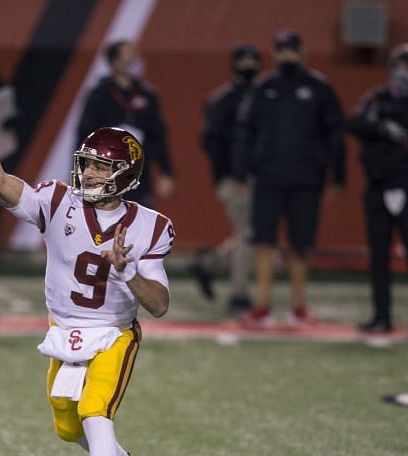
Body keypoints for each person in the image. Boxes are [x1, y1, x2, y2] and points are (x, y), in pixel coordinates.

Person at [0, 84, 174, 456]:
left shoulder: (147, 224)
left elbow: (159, 304)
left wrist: (127, 270)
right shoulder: (56, 201)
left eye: (100, 166)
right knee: (68, 428)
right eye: (87, 162)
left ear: (124, 174)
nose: (88, 171)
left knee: (95, 412)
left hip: (113, 333)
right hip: (63, 332)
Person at [233, 29, 346, 327]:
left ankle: (298, 307)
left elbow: (336, 133)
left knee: (300, 244)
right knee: (263, 243)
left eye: (291, 50)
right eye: (281, 50)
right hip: (268, 178)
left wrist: (339, 174)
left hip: (306, 180)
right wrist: (241, 172)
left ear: (302, 52)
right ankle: (262, 306)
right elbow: (245, 131)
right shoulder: (263, 87)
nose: (286, 56)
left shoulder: (320, 88)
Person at [348, 44, 408, 335]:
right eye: (397, 68)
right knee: (378, 255)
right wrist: (382, 126)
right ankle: (381, 316)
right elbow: (353, 122)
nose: (401, 75)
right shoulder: (377, 96)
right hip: (377, 184)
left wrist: (382, 121)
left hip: (405, 186)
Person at [192, 43, 262, 313]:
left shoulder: (262, 96)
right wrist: (233, 174)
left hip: (257, 177)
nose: (249, 66)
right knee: (249, 234)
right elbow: (210, 141)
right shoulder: (222, 99)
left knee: (249, 234)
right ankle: (239, 294)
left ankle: (208, 265)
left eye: (253, 60)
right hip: (234, 179)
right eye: (244, 60)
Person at [76, 40, 175, 207]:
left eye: (137, 55)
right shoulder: (98, 95)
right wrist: (81, 175)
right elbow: (84, 134)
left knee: (138, 220)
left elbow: (159, 135)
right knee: (102, 222)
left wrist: (166, 171)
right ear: (115, 62)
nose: (136, 60)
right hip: (105, 171)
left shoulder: (148, 95)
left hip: (138, 172)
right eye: (130, 55)